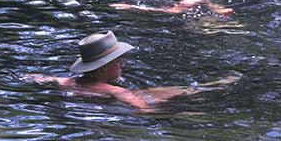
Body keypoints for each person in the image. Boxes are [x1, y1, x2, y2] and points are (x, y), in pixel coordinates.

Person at [25, 30, 238, 112]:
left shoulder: (65, 82)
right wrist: (187, 114)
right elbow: (145, 110)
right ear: (103, 67)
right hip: (113, 106)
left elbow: (36, 78)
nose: (123, 65)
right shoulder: (117, 91)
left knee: (164, 90)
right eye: (118, 62)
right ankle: (208, 88)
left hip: (90, 102)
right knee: (176, 92)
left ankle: (204, 87)